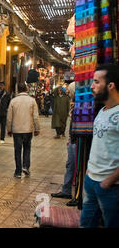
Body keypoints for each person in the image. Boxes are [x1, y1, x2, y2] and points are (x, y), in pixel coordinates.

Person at [80, 64, 119, 228]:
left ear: (110, 86)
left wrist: (110, 180)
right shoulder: (102, 111)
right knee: (86, 224)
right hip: (92, 180)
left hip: (110, 187)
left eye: (96, 82)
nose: (92, 86)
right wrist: (89, 171)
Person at [51, 82, 78, 205]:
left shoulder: (80, 104)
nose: (68, 92)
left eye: (70, 91)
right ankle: (67, 190)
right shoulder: (75, 104)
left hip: (77, 141)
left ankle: (76, 194)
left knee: (74, 166)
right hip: (73, 140)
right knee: (70, 165)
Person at [6, 83, 40, 178]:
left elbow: (9, 117)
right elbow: (36, 117)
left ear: (18, 90)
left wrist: (9, 129)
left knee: (17, 150)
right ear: (26, 89)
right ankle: (25, 166)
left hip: (17, 130)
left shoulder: (13, 101)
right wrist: (37, 129)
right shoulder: (32, 101)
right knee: (27, 148)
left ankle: (18, 172)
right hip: (28, 129)